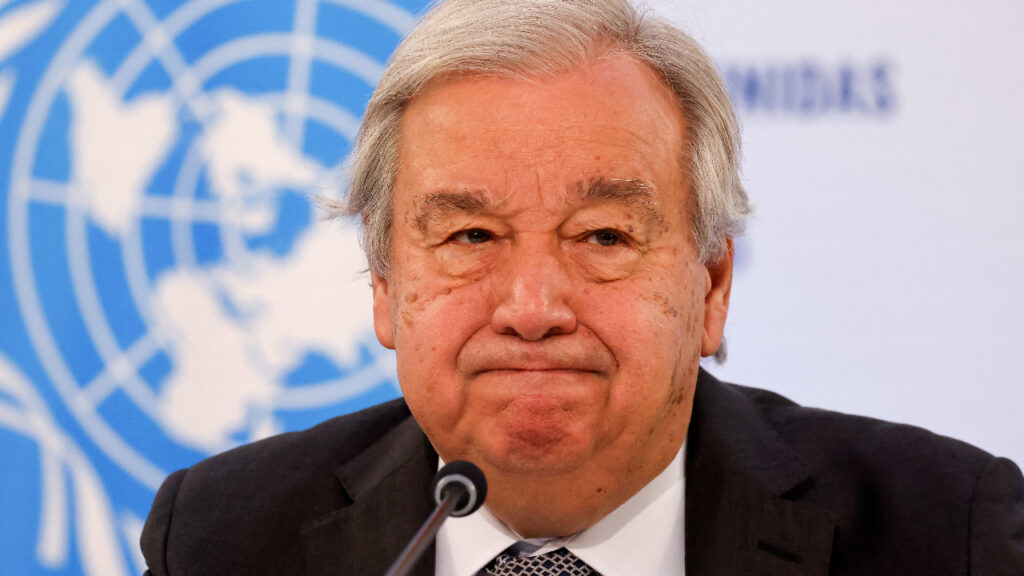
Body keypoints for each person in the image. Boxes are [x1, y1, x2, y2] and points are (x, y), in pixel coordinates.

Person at [140, 0, 1024, 574]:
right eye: (470, 236)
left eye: (604, 237)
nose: (532, 310)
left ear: (713, 286)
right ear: (384, 284)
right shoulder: (224, 540)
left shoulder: (946, 534)